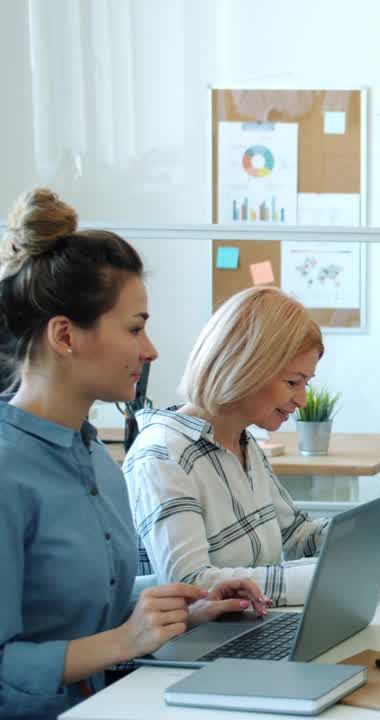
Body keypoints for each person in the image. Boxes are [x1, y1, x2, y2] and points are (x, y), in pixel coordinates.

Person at [0, 188, 266, 718]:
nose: (151, 350)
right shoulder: (9, 474)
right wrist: (126, 640)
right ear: (65, 337)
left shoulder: (97, 458)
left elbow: (85, 604)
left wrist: (187, 605)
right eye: (135, 328)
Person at [125, 287, 380, 606]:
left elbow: (296, 535)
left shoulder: (242, 443)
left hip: (251, 627)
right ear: (244, 367)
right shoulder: (163, 455)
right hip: (195, 647)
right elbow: (191, 585)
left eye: (306, 384)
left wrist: (379, 535)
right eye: (292, 382)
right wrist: (345, 575)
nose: (302, 400)